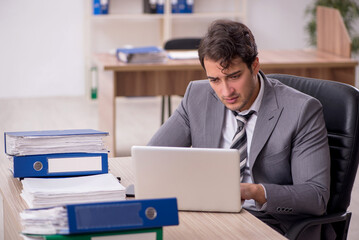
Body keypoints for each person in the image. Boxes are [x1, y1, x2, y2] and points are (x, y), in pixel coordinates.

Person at [148, 19, 332, 239]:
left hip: (272, 224)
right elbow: (154, 159)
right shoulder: (197, 96)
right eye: (214, 80)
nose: (225, 91)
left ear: (255, 65)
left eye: (234, 77)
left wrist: (253, 191)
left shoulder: (302, 110)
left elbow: (315, 196)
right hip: (210, 216)